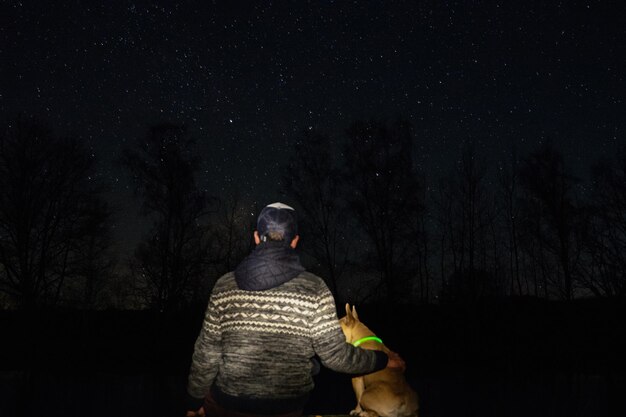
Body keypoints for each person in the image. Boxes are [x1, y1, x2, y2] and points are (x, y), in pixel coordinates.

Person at [185, 202, 405, 417]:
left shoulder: (224, 286)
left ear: (255, 238)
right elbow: (337, 358)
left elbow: (206, 354)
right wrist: (384, 359)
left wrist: (194, 403)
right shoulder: (316, 289)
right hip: (287, 408)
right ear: (295, 241)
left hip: (228, 405)